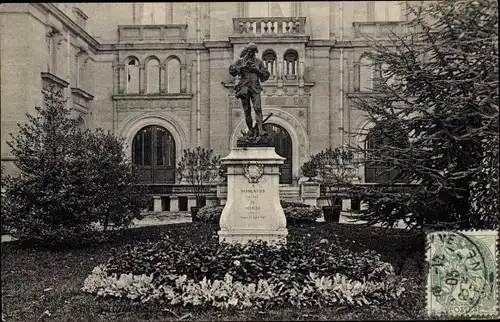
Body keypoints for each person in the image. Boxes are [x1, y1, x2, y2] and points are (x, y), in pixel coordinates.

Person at [229, 43, 271, 136]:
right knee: (247, 110)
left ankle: (260, 130)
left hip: (255, 86)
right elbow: (232, 71)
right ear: (246, 51)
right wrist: (242, 67)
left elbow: (266, 75)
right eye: (250, 51)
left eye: (253, 52)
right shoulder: (240, 61)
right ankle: (251, 130)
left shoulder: (259, 62)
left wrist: (257, 70)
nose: (251, 53)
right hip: (244, 87)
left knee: (258, 108)